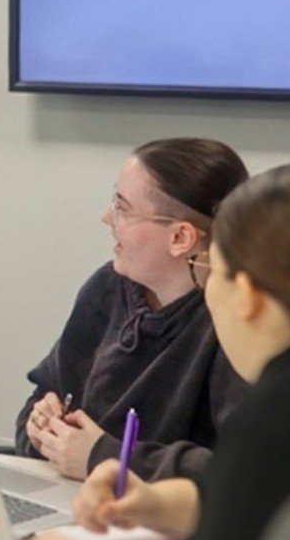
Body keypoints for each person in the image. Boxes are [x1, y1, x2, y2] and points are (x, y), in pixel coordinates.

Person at [22, 160, 290, 540]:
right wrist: (168, 505)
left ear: (246, 295)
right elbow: (285, 502)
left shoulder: (287, 413)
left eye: (211, 273)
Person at [16, 139, 249, 481]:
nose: (107, 217)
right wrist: (42, 429)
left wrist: (104, 458)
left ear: (181, 238)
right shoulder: (106, 289)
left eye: (123, 208)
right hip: (75, 500)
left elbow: (243, 471)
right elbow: (44, 396)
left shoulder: (236, 323)